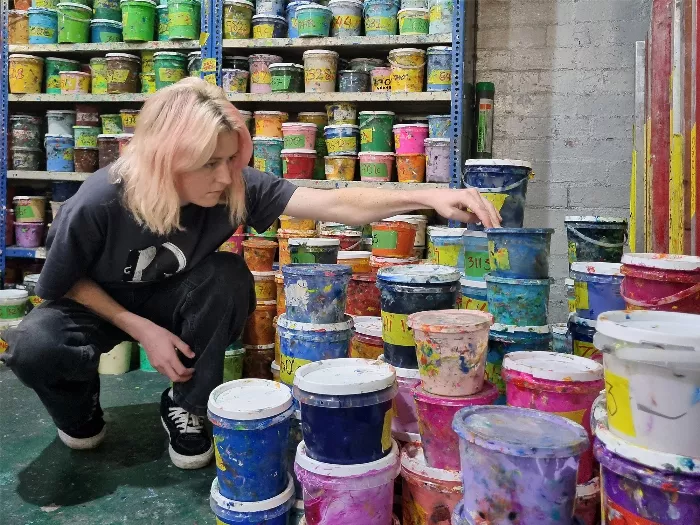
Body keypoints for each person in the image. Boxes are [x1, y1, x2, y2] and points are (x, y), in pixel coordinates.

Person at [1, 78, 500, 470]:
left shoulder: (232, 187)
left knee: (226, 274)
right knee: (36, 345)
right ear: (164, 160)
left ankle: (189, 405)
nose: (224, 176)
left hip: (164, 297)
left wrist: (429, 196)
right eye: (207, 164)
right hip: (96, 305)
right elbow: (61, 283)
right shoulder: (99, 201)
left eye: (229, 160)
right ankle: (78, 404)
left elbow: (336, 202)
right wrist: (140, 328)